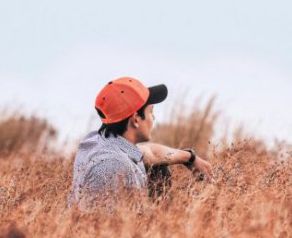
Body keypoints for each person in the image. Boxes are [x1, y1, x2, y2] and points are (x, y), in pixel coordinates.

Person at [69, 76, 212, 207]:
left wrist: (190, 158)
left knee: (158, 168)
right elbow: (103, 227)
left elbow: (151, 153)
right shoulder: (111, 165)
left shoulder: (100, 140)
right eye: (151, 112)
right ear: (136, 119)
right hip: (123, 232)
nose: (153, 118)